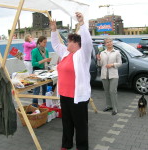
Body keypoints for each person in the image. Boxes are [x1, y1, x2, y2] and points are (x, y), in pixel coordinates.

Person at [50, 12, 93, 150]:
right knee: (67, 122)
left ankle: (82, 147)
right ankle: (66, 144)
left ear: (76, 44)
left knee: (80, 124)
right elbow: (56, 44)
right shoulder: (66, 53)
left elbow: (87, 42)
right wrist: (53, 30)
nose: (67, 43)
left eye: (69, 41)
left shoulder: (83, 54)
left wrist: (82, 24)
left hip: (78, 97)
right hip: (64, 95)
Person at [97, 37, 122, 115]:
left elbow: (120, 63)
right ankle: (108, 106)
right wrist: (98, 59)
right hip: (104, 74)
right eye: (107, 42)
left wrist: (112, 65)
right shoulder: (102, 53)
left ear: (112, 42)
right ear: (105, 44)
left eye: (110, 41)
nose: (109, 43)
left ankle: (115, 108)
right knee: (107, 91)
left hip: (113, 75)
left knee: (112, 91)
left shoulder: (116, 52)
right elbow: (100, 65)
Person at [31, 36, 51, 105]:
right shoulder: (34, 51)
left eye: (46, 42)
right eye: (44, 42)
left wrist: (48, 61)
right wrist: (43, 60)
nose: (45, 44)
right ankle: (34, 105)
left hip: (45, 71)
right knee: (36, 89)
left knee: (45, 88)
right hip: (37, 71)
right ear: (40, 42)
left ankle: (45, 104)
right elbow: (33, 63)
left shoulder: (46, 50)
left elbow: (47, 62)